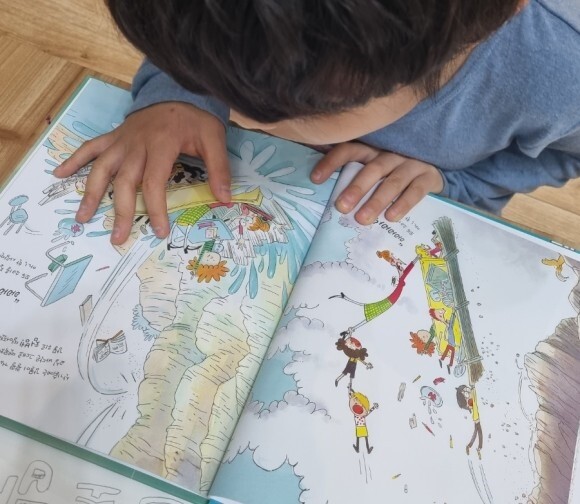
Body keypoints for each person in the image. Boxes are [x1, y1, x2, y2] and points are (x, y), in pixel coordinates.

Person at [54, 0, 580, 246]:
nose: (238, 116)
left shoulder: (561, 67)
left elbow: (563, 155)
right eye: (214, 85)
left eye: (298, 111)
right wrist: (174, 94)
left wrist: (457, 183)